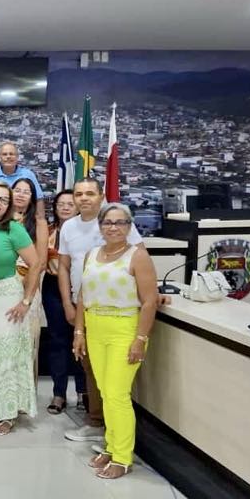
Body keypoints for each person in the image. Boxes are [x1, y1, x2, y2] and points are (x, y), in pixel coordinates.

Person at [72, 203, 158, 479]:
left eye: (120, 222)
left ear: (129, 226)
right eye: (108, 222)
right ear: (100, 226)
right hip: (95, 328)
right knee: (105, 392)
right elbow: (84, 295)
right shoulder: (92, 255)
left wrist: (140, 338)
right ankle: (111, 446)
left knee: (117, 394)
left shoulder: (138, 256)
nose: (113, 227)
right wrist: (79, 332)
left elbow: (148, 302)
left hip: (125, 328)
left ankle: (123, 457)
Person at [58, 177, 142, 443]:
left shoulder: (115, 222)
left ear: (101, 195)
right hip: (83, 306)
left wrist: (154, 294)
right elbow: (63, 267)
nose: (83, 198)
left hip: (118, 311)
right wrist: (68, 304)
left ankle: (113, 430)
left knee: (112, 376)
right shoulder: (69, 227)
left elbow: (140, 258)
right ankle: (97, 421)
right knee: (90, 367)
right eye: (79, 194)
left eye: (90, 193)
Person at [0, 182, 42, 435]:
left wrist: (26, 301)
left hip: (7, 297)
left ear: (9, 206)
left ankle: (7, 412)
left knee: (5, 355)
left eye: (4, 200)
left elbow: (35, 264)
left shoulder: (14, 229)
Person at [43, 190, 85, 414]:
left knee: (80, 340)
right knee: (58, 340)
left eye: (71, 204)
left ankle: (82, 392)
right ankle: (59, 393)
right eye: (61, 204)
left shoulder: (85, 233)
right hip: (52, 290)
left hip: (81, 289)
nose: (66, 207)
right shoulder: (49, 232)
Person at [11, 178, 49, 379]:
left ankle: (25, 399)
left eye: (26, 192)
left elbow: (41, 262)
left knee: (27, 341)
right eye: (17, 190)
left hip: (28, 285)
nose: (20, 194)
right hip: (1, 285)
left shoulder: (39, 223)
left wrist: (25, 285)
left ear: (32, 198)